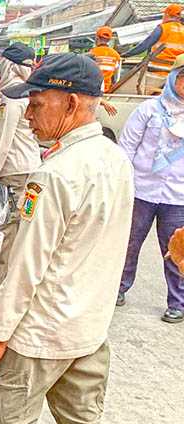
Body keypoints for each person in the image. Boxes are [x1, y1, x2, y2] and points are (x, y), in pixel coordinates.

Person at [0, 53, 134, 424]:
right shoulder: (113, 158)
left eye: (38, 105)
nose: (30, 114)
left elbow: (25, 266)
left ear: (73, 104)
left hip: (37, 333)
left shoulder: (53, 174)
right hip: (89, 327)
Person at [117, 53, 184, 323]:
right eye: (183, 79)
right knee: (129, 243)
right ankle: (118, 288)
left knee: (177, 249)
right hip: (141, 190)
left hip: (178, 195)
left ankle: (178, 302)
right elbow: (127, 148)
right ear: (172, 79)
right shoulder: (149, 110)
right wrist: (123, 184)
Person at [0, 42, 41, 292]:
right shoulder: (13, 94)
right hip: (18, 170)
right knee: (10, 226)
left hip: (15, 172)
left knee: (5, 228)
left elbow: (3, 142)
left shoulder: (13, 98)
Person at [124, 4, 184, 94]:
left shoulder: (162, 28)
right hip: (177, 71)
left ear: (167, 14)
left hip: (157, 69)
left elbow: (144, 45)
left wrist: (126, 54)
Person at [89, 26, 122, 92]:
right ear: (109, 40)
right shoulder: (116, 55)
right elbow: (116, 78)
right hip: (107, 90)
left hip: (93, 90)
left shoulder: (91, 53)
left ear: (97, 38)